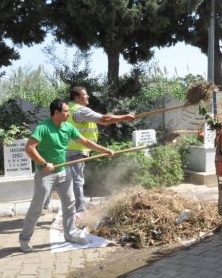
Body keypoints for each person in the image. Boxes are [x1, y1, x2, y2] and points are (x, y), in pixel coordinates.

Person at [19, 99, 115, 253]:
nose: (68, 114)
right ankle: (24, 239)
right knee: (37, 208)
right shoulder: (43, 128)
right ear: (56, 113)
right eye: (65, 111)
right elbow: (29, 148)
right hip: (45, 173)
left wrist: (104, 150)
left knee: (70, 203)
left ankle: (70, 234)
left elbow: (84, 141)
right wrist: (44, 163)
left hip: (63, 170)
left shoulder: (68, 127)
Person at [44, 86, 136, 215]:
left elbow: (103, 122)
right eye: (85, 94)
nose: (88, 97)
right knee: (77, 181)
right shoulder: (80, 111)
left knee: (61, 177)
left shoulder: (68, 108)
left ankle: (46, 202)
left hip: (64, 149)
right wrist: (125, 117)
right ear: (76, 98)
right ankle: (79, 211)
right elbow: (105, 120)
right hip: (75, 151)